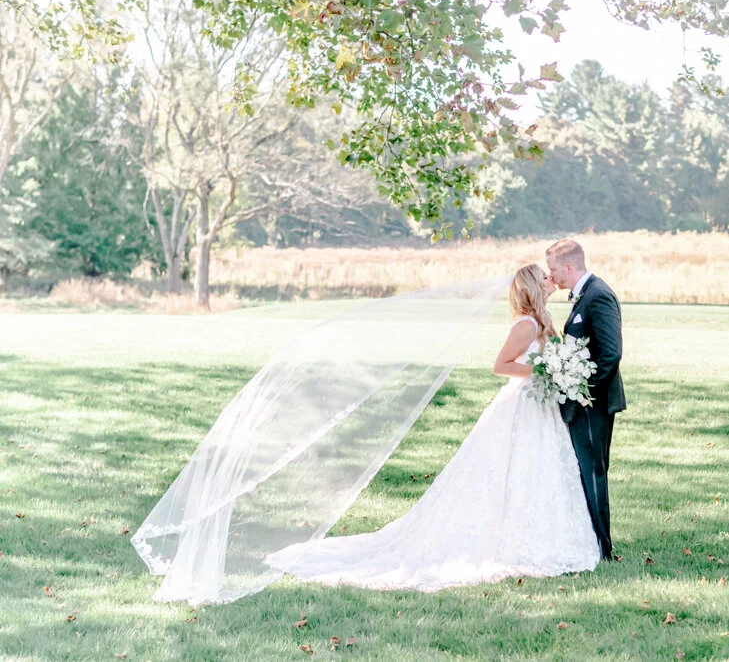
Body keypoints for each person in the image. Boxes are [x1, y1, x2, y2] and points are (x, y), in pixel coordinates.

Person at [262, 264, 600, 591]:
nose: (550, 278)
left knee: (536, 470)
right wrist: (543, 370)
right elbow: (501, 365)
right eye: (544, 276)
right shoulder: (525, 325)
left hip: (539, 408)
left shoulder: (542, 320)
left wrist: (557, 371)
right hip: (520, 407)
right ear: (533, 286)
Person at [545, 239, 626, 560]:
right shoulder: (583, 294)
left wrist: (585, 393)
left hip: (593, 403)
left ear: (568, 266)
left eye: (553, 269)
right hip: (583, 401)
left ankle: (602, 548)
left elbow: (611, 353)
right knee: (584, 470)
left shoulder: (598, 295)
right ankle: (590, 541)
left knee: (593, 472)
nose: (551, 275)